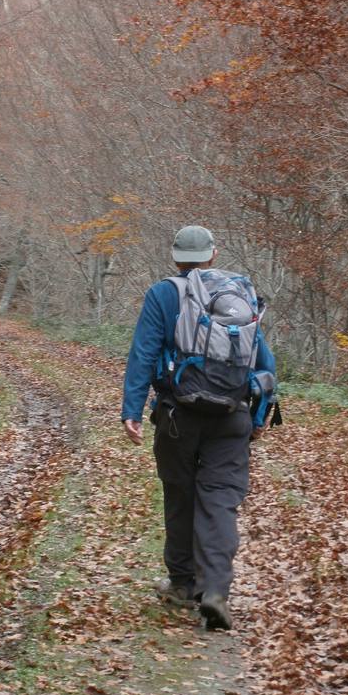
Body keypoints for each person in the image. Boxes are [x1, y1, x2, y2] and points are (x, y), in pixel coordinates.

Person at [121, 225, 277, 630]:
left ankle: (182, 583)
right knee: (220, 499)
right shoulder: (237, 295)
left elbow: (143, 353)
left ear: (175, 257)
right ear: (213, 255)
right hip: (232, 415)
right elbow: (264, 363)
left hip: (178, 414)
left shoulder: (163, 293)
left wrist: (131, 410)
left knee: (180, 494)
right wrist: (260, 416)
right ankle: (216, 591)